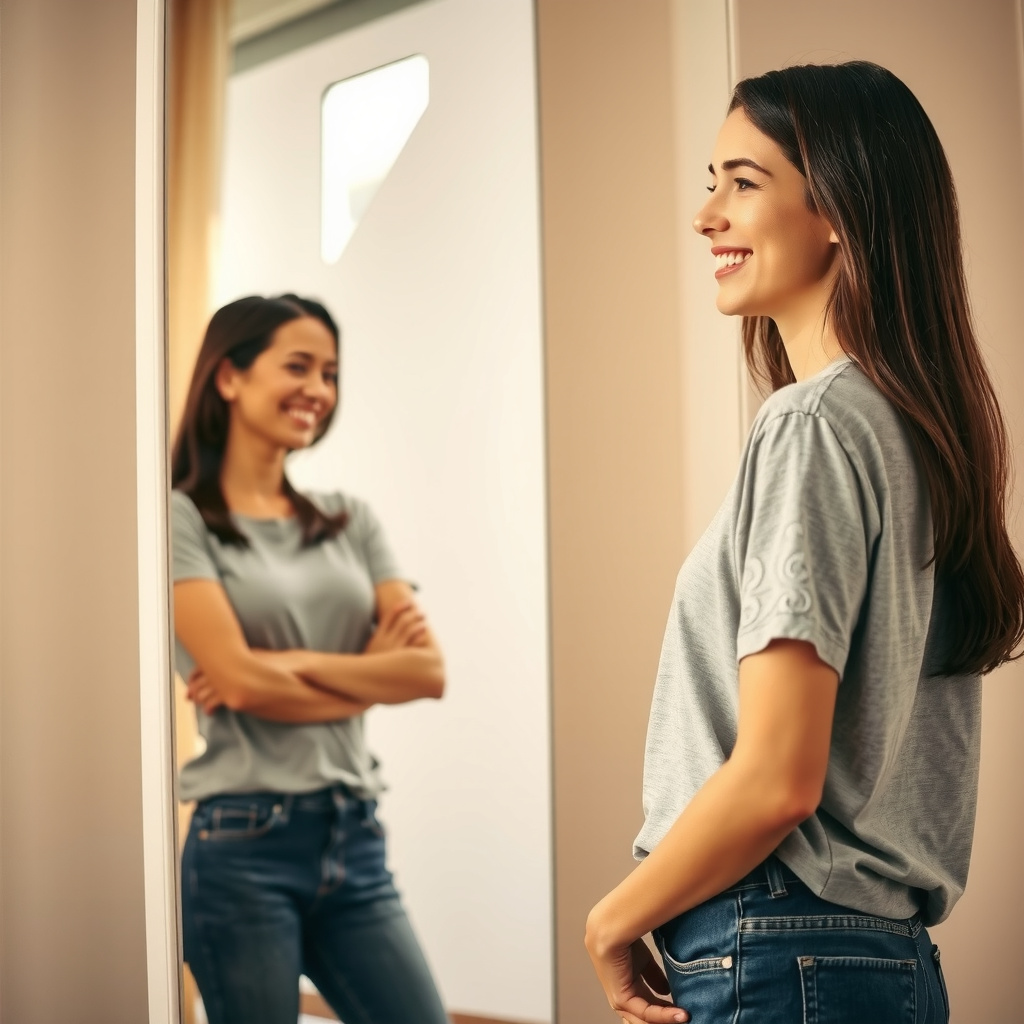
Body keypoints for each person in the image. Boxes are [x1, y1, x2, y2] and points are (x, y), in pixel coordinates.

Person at [585, 61, 1024, 1024]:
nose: (707, 217)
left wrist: (613, 921)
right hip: (886, 960)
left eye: (743, 183)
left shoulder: (814, 424)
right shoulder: (920, 432)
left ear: (839, 207)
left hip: (779, 946)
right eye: (712, 184)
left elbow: (781, 775)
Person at [170, 293, 450, 1024]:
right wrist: (367, 674)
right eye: (298, 366)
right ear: (228, 376)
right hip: (242, 844)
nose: (319, 391)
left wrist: (278, 668)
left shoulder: (350, 520)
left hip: (352, 832)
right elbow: (233, 678)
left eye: (330, 373)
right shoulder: (178, 518)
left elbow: (427, 672)